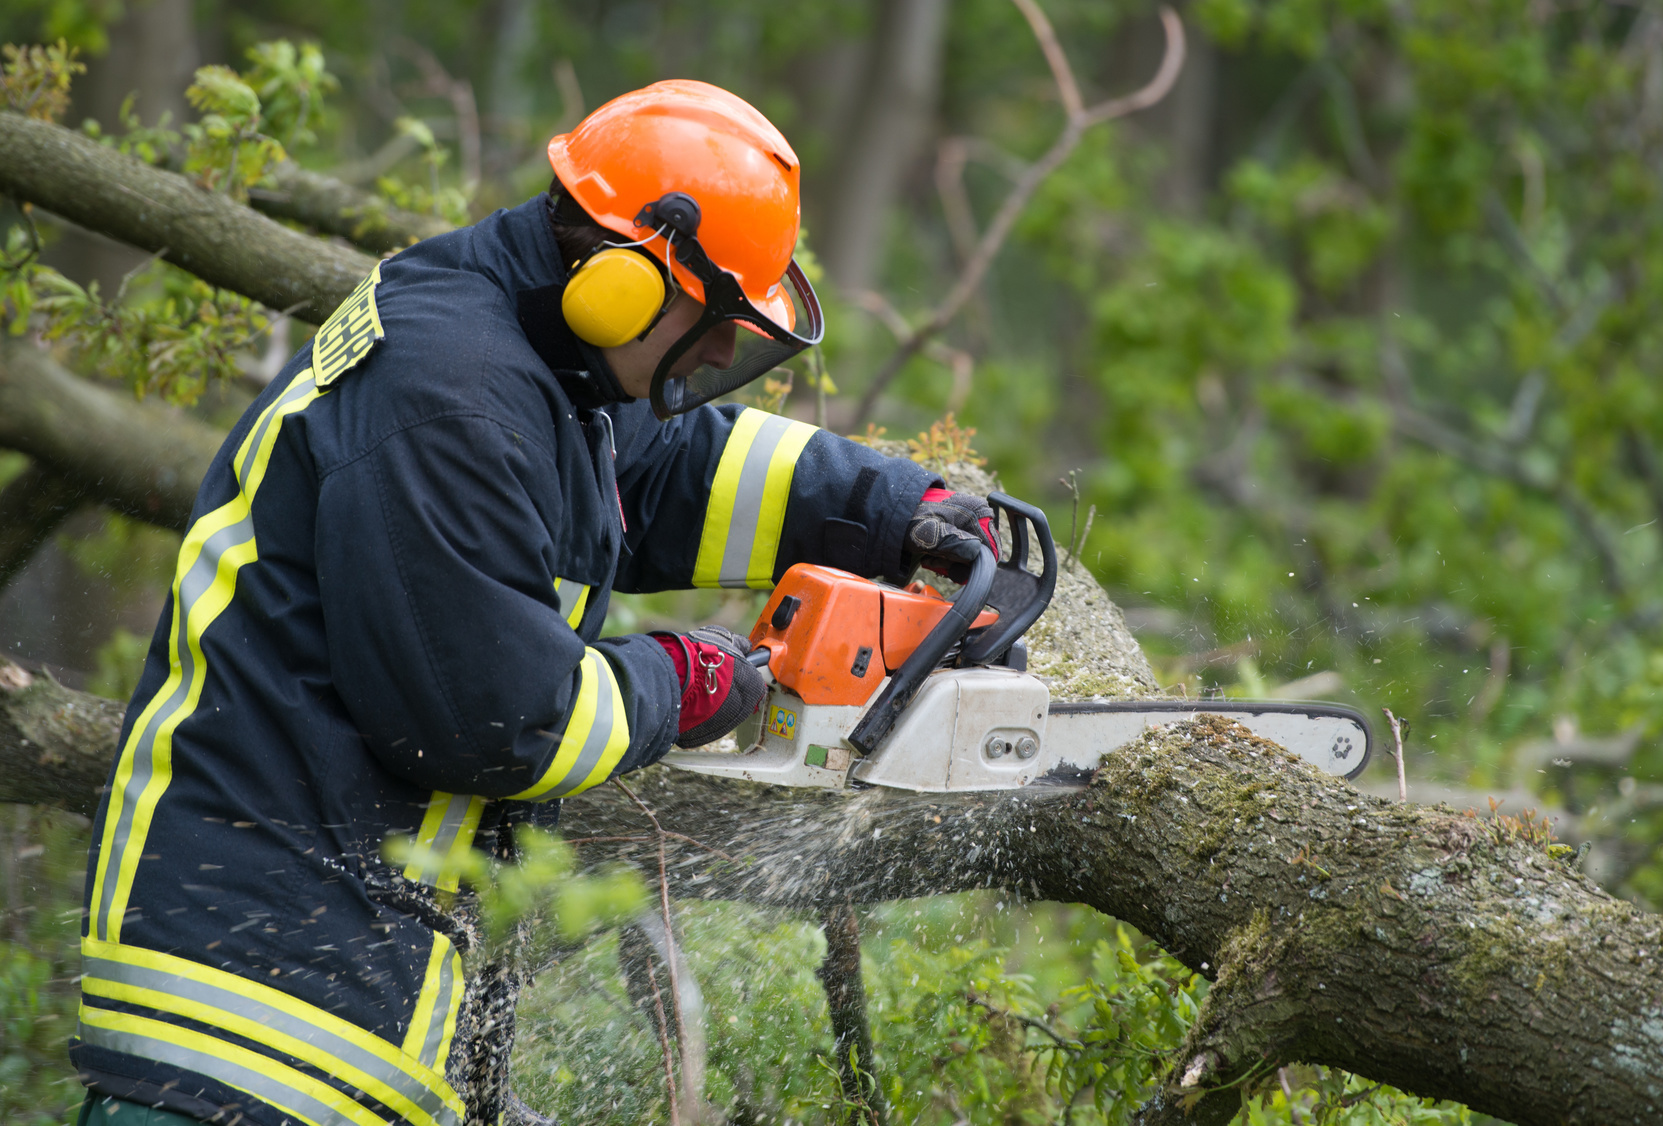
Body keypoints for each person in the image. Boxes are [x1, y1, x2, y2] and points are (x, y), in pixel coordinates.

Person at [70, 80, 997, 1126]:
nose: (727, 355)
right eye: (717, 319)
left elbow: (659, 476)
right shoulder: (451, 396)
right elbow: (502, 720)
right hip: (253, 1031)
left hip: (323, 1018)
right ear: (627, 284)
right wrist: (675, 678)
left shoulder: (533, 365)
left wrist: (890, 509)